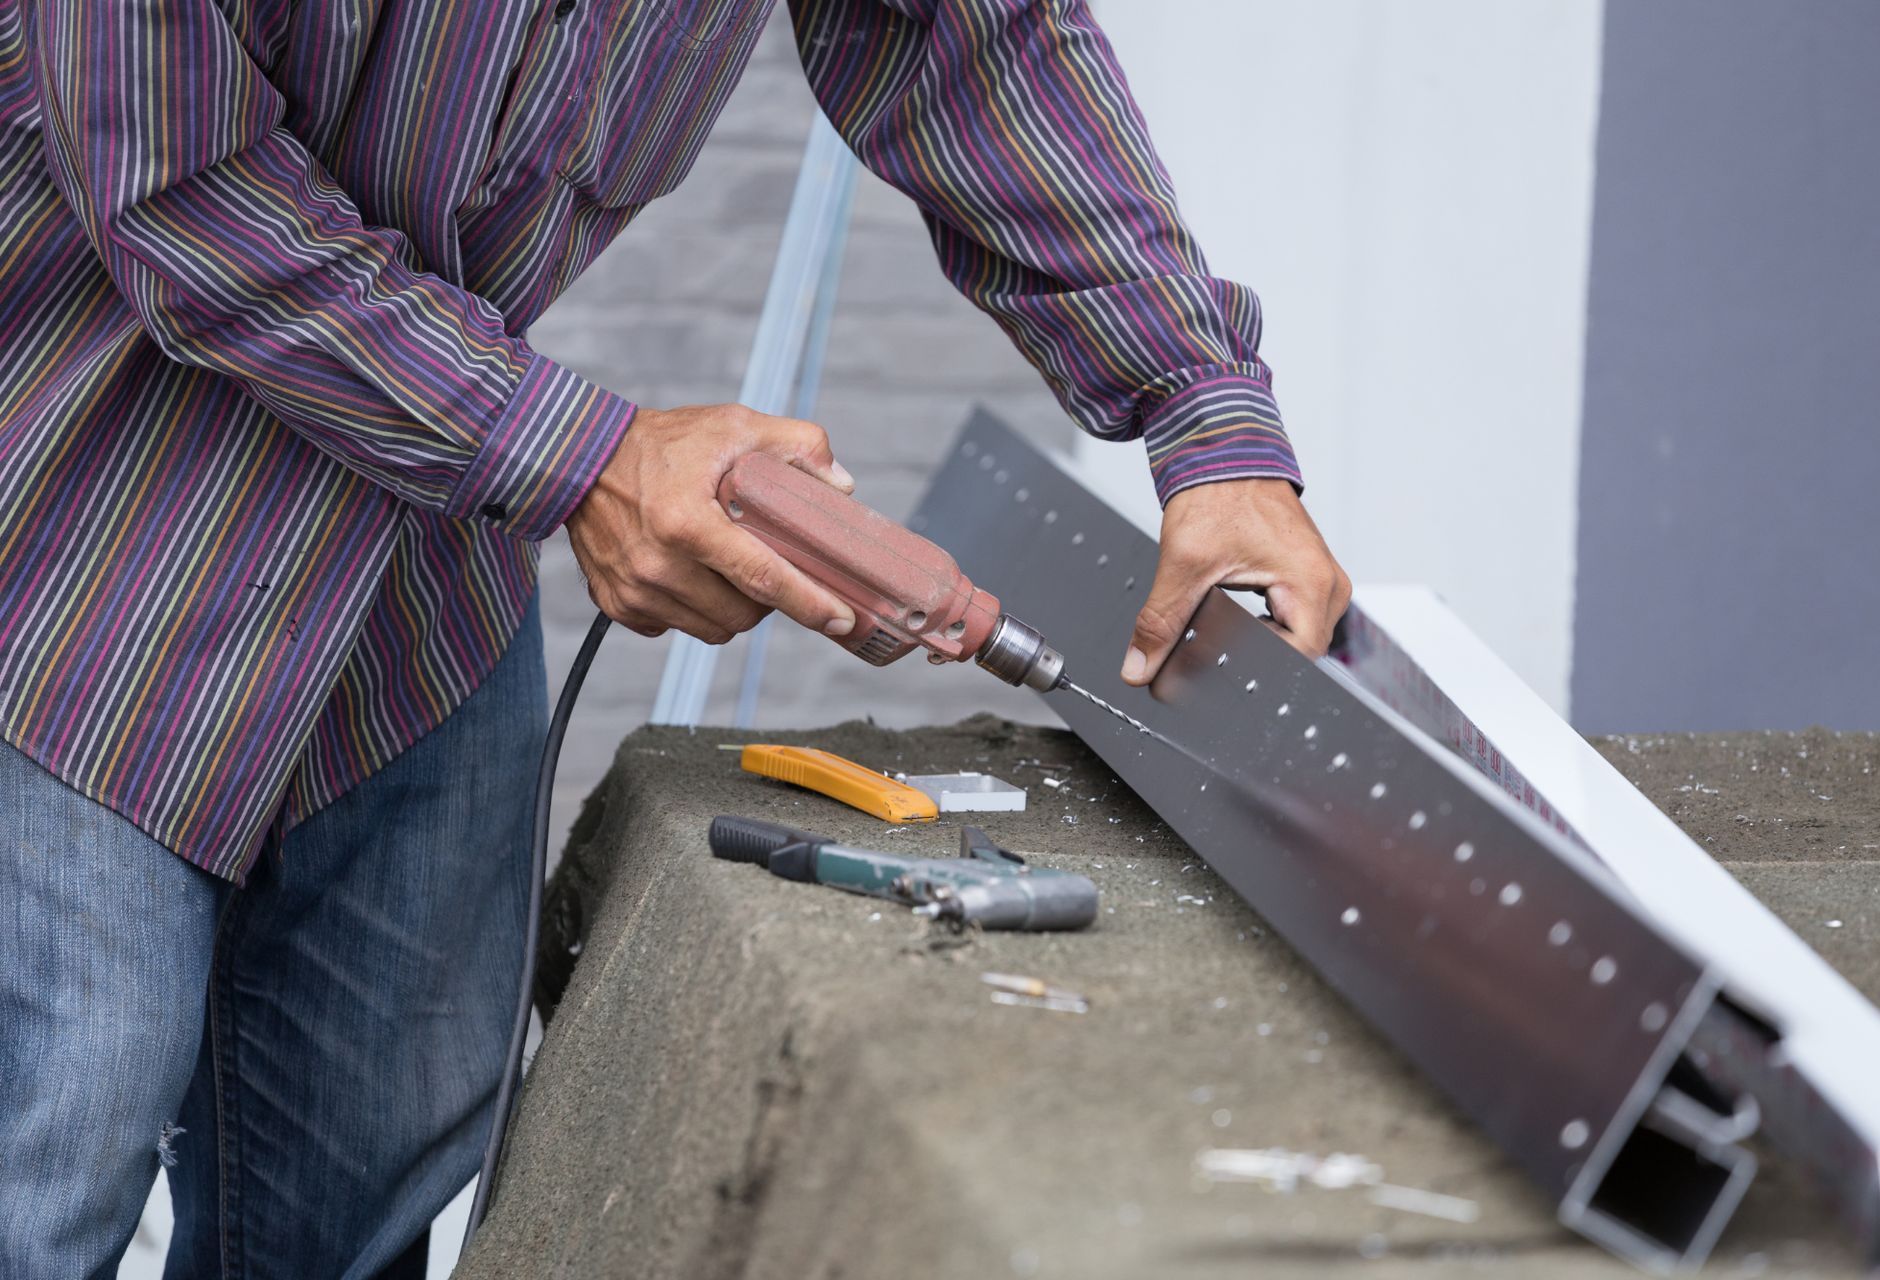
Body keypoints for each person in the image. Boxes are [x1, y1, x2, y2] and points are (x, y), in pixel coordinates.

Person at [0, 0, 1349, 1273]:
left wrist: (1201, 410)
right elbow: (176, 177)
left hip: (412, 597)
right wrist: (582, 460)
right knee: (45, 1190)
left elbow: (967, 40)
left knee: (365, 1199)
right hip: (75, 571)